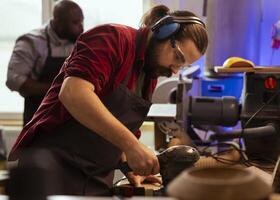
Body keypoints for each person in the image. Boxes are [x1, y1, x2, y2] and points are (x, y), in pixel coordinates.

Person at [8, 5, 208, 196]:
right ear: (164, 32)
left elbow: (115, 128)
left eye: (182, 67)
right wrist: (133, 146)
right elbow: (73, 93)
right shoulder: (112, 38)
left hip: (95, 180)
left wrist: (128, 164)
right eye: (178, 57)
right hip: (51, 169)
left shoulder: (149, 74)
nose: (174, 70)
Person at [6, 0, 84, 125]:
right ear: (58, 21)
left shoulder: (80, 41)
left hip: (72, 121)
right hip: (39, 120)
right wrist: (59, 89)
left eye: (81, 21)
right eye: (75, 22)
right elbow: (14, 80)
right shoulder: (31, 42)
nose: (81, 27)